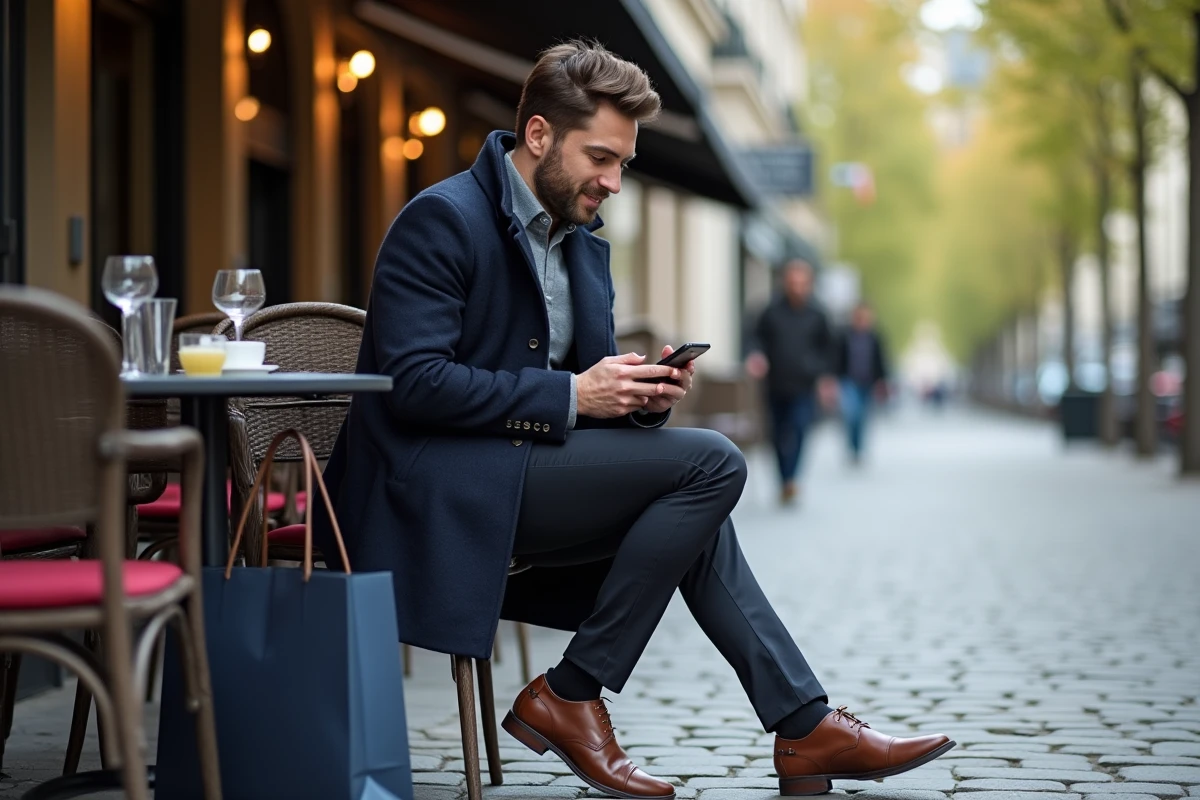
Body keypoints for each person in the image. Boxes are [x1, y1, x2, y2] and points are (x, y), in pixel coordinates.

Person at [315, 41, 953, 800]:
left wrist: (640, 396)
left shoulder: (582, 249)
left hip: (519, 473)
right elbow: (415, 386)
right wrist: (575, 397)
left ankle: (797, 724)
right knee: (714, 465)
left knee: (699, 502)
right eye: (601, 158)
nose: (614, 182)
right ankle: (582, 692)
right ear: (541, 135)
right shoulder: (441, 221)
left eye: (624, 163)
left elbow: (585, 393)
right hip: (436, 487)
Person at [746, 260, 838, 505]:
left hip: (804, 385)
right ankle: (783, 478)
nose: (797, 287)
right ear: (785, 283)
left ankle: (791, 480)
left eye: (802, 283)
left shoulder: (818, 314)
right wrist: (756, 356)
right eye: (792, 282)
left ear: (809, 284)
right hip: (775, 383)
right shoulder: (771, 311)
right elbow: (755, 338)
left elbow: (829, 349)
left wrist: (823, 375)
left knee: (798, 429)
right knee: (777, 433)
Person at [833, 302, 890, 464]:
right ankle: (852, 446)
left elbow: (881, 361)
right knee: (851, 414)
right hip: (848, 381)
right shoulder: (845, 335)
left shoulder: (875, 337)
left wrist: (882, 382)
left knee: (863, 417)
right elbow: (836, 358)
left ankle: (858, 449)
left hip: (868, 383)